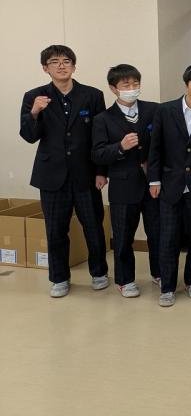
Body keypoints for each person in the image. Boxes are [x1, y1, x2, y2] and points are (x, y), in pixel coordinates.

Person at [19, 45, 109, 298]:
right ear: (45, 68)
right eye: (54, 61)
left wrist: (101, 171)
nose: (61, 65)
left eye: (66, 61)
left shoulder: (92, 95)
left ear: (74, 66)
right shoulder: (34, 96)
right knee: (56, 230)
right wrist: (34, 112)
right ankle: (59, 278)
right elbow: (28, 136)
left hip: (86, 174)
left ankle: (99, 273)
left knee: (94, 227)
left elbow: (100, 137)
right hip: (51, 175)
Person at [148, 63, 191, 307]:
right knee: (168, 238)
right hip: (170, 184)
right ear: (186, 84)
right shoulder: (165, 110)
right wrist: (154, 179)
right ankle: (167, 286)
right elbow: (155, 148)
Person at [91, 64, 160, 298]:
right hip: (123, 184)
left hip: (153, 183)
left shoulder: (154, 110)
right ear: (114, 89)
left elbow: (163, 143)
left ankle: (160, 272)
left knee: (158, 232)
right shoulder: (103, 119)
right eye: (126, 85)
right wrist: (120, 147)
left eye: (135, 83)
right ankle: (125, 280)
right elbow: (97, 153)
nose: (132, 88)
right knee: (123, 236)